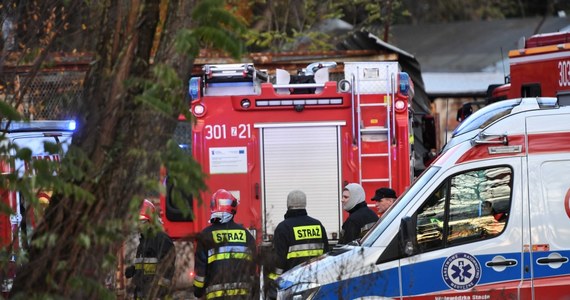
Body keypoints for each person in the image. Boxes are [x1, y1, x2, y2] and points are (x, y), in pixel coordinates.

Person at [193, 189, 257, 299]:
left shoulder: (205, 235)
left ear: (213, 207)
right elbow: (252, 268)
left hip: (216, 296)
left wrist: (198, 291)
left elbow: (201, 270)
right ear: (233, 208)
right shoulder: (246, 235)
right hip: (243, 295)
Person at [266, 190, 329, 297]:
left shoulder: (283, 228)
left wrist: (272, 284)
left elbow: (279, 261)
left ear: (288, 205)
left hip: (292, 285)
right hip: (316, 283)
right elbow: (326, 255)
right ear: (305, 204)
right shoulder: (318, 225)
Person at [125, 199, 176, 299]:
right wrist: (134, 270)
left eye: (141, 222)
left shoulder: (161, 239)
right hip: (142, 294)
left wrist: (160, 291)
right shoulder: (144, 241)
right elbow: (147, 267)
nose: (138, 226)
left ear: (149, 221)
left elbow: (168, 268)